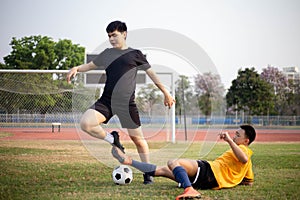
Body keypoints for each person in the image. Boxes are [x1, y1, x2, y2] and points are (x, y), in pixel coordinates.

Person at [66, 20, 175, 184]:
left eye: (114, 35)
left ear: (124, 34)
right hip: (107, 101)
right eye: (109, 36)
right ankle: (112, 139)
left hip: (127, 104)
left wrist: (165, 92)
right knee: (86, 123)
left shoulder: (135, 54)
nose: (111, 39)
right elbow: (90, 65)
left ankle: (148, 173)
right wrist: (77, 68)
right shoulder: (107, 54)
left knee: (138, 140)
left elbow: (152, 74)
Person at [111, 124, 256, 200]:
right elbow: (248, 181)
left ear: (246, 141)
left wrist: (229, 140)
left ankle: (189, 189)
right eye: (234, 134)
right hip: (210, 182)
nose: (234, 136)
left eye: (238, 135)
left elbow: (243, 158)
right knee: (161, 170)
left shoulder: (244, 150)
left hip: (210, 170)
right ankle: (130, 161)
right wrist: (232, 180)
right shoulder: (246, 161)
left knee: (173, 162)